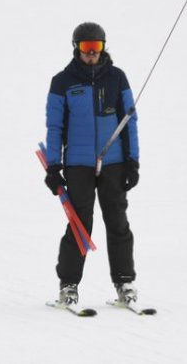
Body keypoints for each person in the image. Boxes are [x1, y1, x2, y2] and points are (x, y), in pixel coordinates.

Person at [44, 22, 140, 308]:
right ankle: (68, 286)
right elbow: (54, 126)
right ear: (76, 49)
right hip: (78, 164)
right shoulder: (62, 82)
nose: (91, 54)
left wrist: (133, 161)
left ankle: (124, 283)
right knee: (79, 224)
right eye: (86, 48)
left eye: (96, 48)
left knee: (118, 222)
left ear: (103, 48)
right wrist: (53, 166)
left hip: (114, 163)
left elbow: (129, 122)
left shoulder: (117, 78)